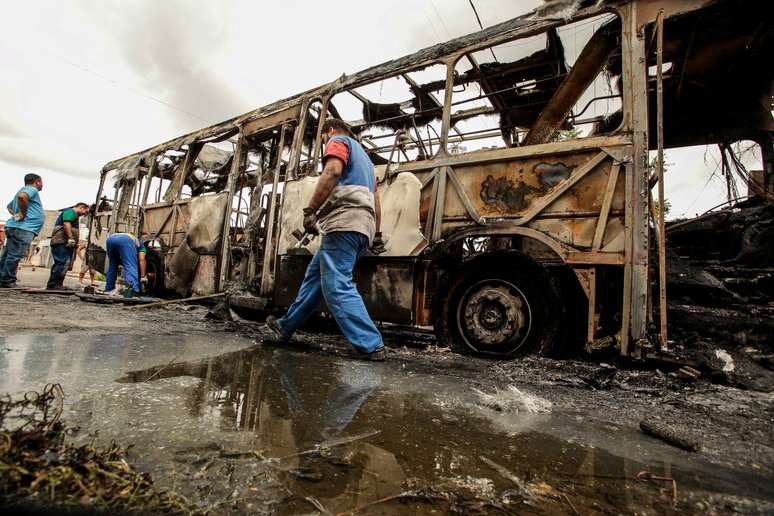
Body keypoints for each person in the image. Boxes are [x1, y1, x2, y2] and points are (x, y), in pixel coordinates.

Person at [265, 119, 387, 360]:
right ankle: (286, 325)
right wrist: (378, 234)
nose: (324, 143)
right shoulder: (366, 161)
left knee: (336, 284)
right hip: (363, 227)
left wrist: (310, 209)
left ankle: (370, 344)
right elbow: (376, 200)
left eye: (322, 138)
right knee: (315, 280)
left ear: (329, 131)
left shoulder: (338, 140)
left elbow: (332, 171)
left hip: (343, 224)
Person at [0, 174, 44, 288]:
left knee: (8, 255)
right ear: (37, 181)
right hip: (24, 228)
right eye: (41, 182)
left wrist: (17, 215)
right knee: (15, 255)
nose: (42, 185)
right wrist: (23, 215)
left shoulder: (23, 190)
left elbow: (9, 207)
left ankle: (3, 278)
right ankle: (7, 280)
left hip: (16, 227)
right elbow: (22, 197)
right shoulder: (31, 189)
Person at [46, 203, 90, 289]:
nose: (85, 214)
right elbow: (66, 223)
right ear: (81, 208)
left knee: (63, 263)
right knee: (62, 262)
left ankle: (57, 284)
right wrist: (70, 238)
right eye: (85, 212)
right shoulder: (70, 212)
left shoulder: (74, 215)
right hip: (61, 241)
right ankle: (53, 285)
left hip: (65, 242)